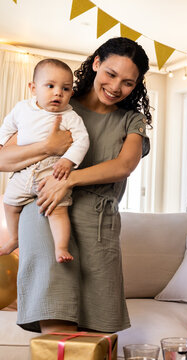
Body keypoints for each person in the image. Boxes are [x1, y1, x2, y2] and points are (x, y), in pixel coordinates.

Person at [0, 37, 151, 334]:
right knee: (56, 318)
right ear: (96, 64)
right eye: (110, 73)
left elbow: (124, 166)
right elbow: (4, 158)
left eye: (128, 82)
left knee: (98, 327)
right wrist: (47, 146)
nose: (116, 87)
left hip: (98, 222)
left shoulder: (132, 121)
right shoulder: (56, 104)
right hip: (46, 210)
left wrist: (68, 180)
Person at [0, 58, 90, 263]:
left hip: (52, 170)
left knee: (57, 210)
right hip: (24, 170)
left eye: (65, 89)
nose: (58, 92)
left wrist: (68, 160)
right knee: (9, 202)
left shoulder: (70, 116)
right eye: (50, 86)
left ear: (71, 94)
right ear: (33, 88)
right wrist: (2, 143)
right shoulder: (22, 108)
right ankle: (14, 238)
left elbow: (82, 140)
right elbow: (7, 126)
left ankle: (61, 247)